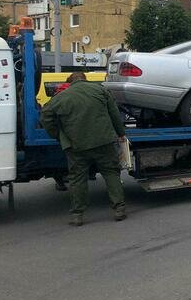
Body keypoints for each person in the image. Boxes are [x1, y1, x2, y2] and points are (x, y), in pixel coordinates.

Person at [41, 72, 127, 226]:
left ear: (70, 82)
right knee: (111, 173)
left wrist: (58, 135)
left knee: (77, 178)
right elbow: (114, 113)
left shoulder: (60, 97)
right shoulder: (100, 90)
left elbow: (46, 116)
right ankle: (119, 209)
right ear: (85, 79)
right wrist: (120, 133)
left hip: (76, 145)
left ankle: (77, 215)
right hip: (104, 142)